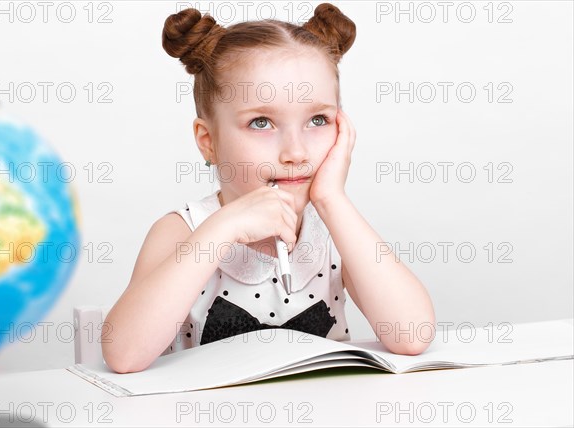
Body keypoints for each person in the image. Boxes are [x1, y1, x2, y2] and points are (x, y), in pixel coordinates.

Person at [102, 3, 436, 374]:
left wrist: (331, 200)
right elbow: (124, 355)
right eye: (261, 122)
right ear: (208, 140)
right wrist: (223, 229)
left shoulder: (334, 230)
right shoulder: (184, 231)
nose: (296, 152)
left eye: (318, 120)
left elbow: (412, 334)